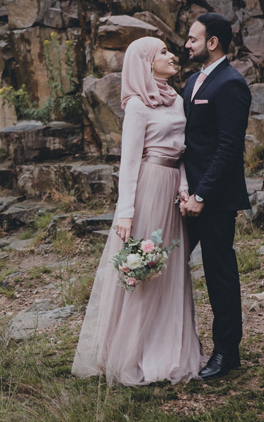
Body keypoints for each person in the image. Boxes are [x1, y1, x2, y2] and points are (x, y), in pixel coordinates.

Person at [72, 36, 205, 386]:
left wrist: (184, 187)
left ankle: (168, 350)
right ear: (145, 63)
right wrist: (126, 213)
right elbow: (129, 165)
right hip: (146, 189)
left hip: (172, 190)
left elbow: (180, 152)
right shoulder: (136, 106)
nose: (171, 55)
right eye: (162, 52)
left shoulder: (176, 99)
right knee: (146, 268)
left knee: (172, 268)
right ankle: (132, 350)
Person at [179, 12, 252, 380]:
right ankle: (167, 344)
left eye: (192, 39)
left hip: (216, 199)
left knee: (219, 272)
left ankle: (227, 352)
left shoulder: (231, 84)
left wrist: (202, 194)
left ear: (213, 43)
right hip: (185, 198)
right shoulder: (193, 81)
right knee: (168, 265)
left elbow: (228, 146)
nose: (186, 44)